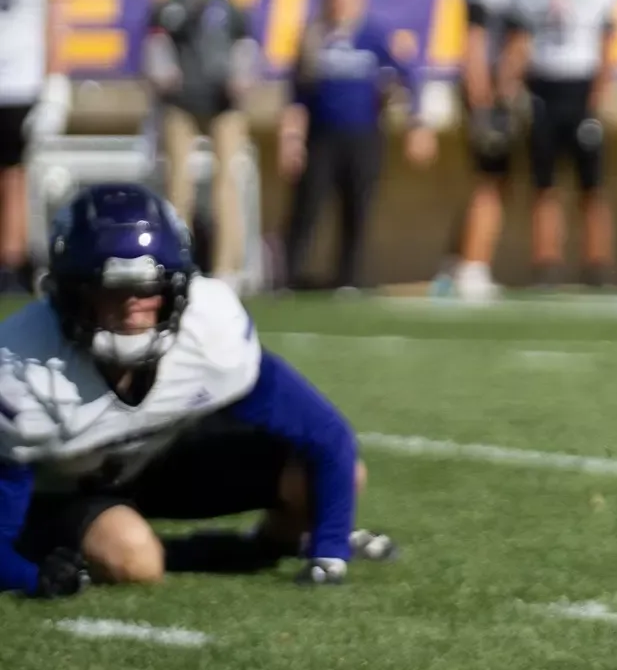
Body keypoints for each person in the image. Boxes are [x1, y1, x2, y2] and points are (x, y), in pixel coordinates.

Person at [0, 185, 379, 597]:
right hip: (69, 490)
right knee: (134, 556)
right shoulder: (23, 367)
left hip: (160, 464)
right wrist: (33, 574)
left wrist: (329, 554)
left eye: (148, 288)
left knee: (333, 478)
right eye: (110, 290)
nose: (133, 305)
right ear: (71, 294)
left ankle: (272, 544)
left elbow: (326, 434)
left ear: (176, 289)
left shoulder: (209, 331)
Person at [282, 0, 436, 290]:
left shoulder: (373, 36)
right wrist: (292, 138)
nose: (340, 4)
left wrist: (415, 125)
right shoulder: (313, 37)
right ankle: (290, 274)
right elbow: (297, 94)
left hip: (363, 134)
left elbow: (406, 77)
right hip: (321, 135)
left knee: (357, 206)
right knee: (308, 205)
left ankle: (348, 277)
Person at [498, 0, 617, 286]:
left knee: (592, 185)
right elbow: (518, 44)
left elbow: (607, 48)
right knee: (544, 183)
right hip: (543, 89)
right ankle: (546, 262)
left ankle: (596, 264)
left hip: (581, 89)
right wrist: (508, 90)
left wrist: (596, 103)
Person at [144, 0, 258, 288]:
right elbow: (157, 42)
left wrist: (242, 78)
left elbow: (244, 43)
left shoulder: (229, 0)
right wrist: (163, 76)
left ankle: (227, 267)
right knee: (179, 183)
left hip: (223, 100)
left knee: (228, 181)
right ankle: (177, 260)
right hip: (182, 99)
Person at [445, 0, 542, 303]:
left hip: (497, 86)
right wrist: (485, 99)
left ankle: (458, 262)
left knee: (492, 181)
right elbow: (478, 40)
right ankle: (472, 265)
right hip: (490, 88)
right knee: (490, 178)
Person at [0, 0, 71, 290]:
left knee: (14, 174)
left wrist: (55, 84)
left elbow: (56, 22)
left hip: (21, 82)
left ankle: (12, 261)